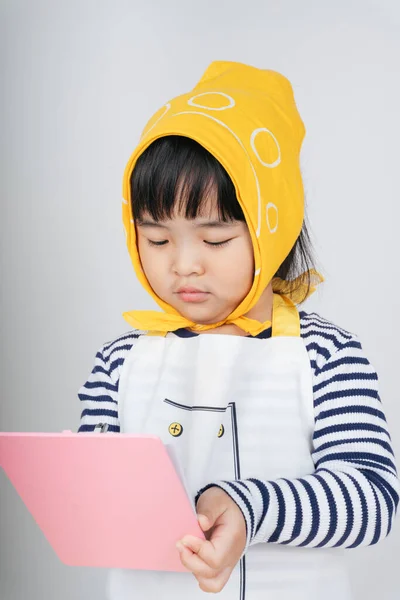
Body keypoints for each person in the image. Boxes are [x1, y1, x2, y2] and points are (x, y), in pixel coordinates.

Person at [77, 61, 399, 600]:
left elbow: (371, 498)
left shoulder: (325, 355)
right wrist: (78, 483)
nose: (183, 265)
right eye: (157, 240)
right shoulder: (119, 363)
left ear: (270, 230)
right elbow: (93, 513)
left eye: (216, 240)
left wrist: (248, 507)